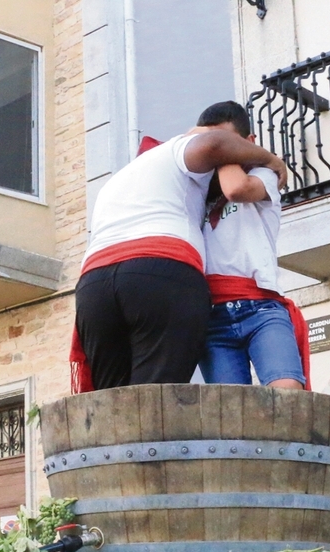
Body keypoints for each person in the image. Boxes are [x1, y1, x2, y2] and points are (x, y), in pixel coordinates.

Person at [72, 100, 289, 392]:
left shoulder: (130, 172)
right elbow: (214, 146)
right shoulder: (180, 150)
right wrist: (271, 159)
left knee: (110, 399)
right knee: (155, 398)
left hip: (93, 285)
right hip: (160, 270)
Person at [199, 103, 308, 390]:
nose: (216, 150)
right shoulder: (199, 193)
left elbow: (236, 189)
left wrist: (224, 152)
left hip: (261, 306)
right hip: (213, 317)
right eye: (212, 144)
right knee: (229, 418)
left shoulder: (264, 175)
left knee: (287, 395)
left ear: (248, 144)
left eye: (225, 143)